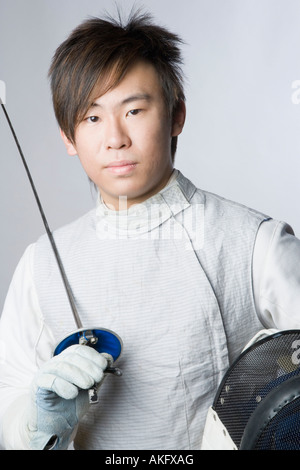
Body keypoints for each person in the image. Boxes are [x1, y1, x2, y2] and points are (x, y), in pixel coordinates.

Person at [0, 9, 300, 451]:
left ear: (176, 115)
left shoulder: (255, 243)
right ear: (68, 136)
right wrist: (39, 418)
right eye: (92, 118)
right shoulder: (41, 265)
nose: (115, 138)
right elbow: (10, 405)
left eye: (135, 109)